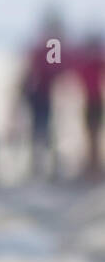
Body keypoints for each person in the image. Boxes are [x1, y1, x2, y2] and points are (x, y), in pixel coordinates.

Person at [16, 10, 68, 178]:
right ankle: (41, 165)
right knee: (41, 129)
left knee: (43, 129)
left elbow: (53, 70)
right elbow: (35, 70)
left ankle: (43, 165)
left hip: (42, 93)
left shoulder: (48, 45)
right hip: (39, 93)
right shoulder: (47, 46)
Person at [73, 31, 105, 177]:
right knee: (90, 134)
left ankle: (94, 166)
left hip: (95, 101)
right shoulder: (90, 62)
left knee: (93, 134)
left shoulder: (93, 61)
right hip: (89, 101)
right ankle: (92, 165)